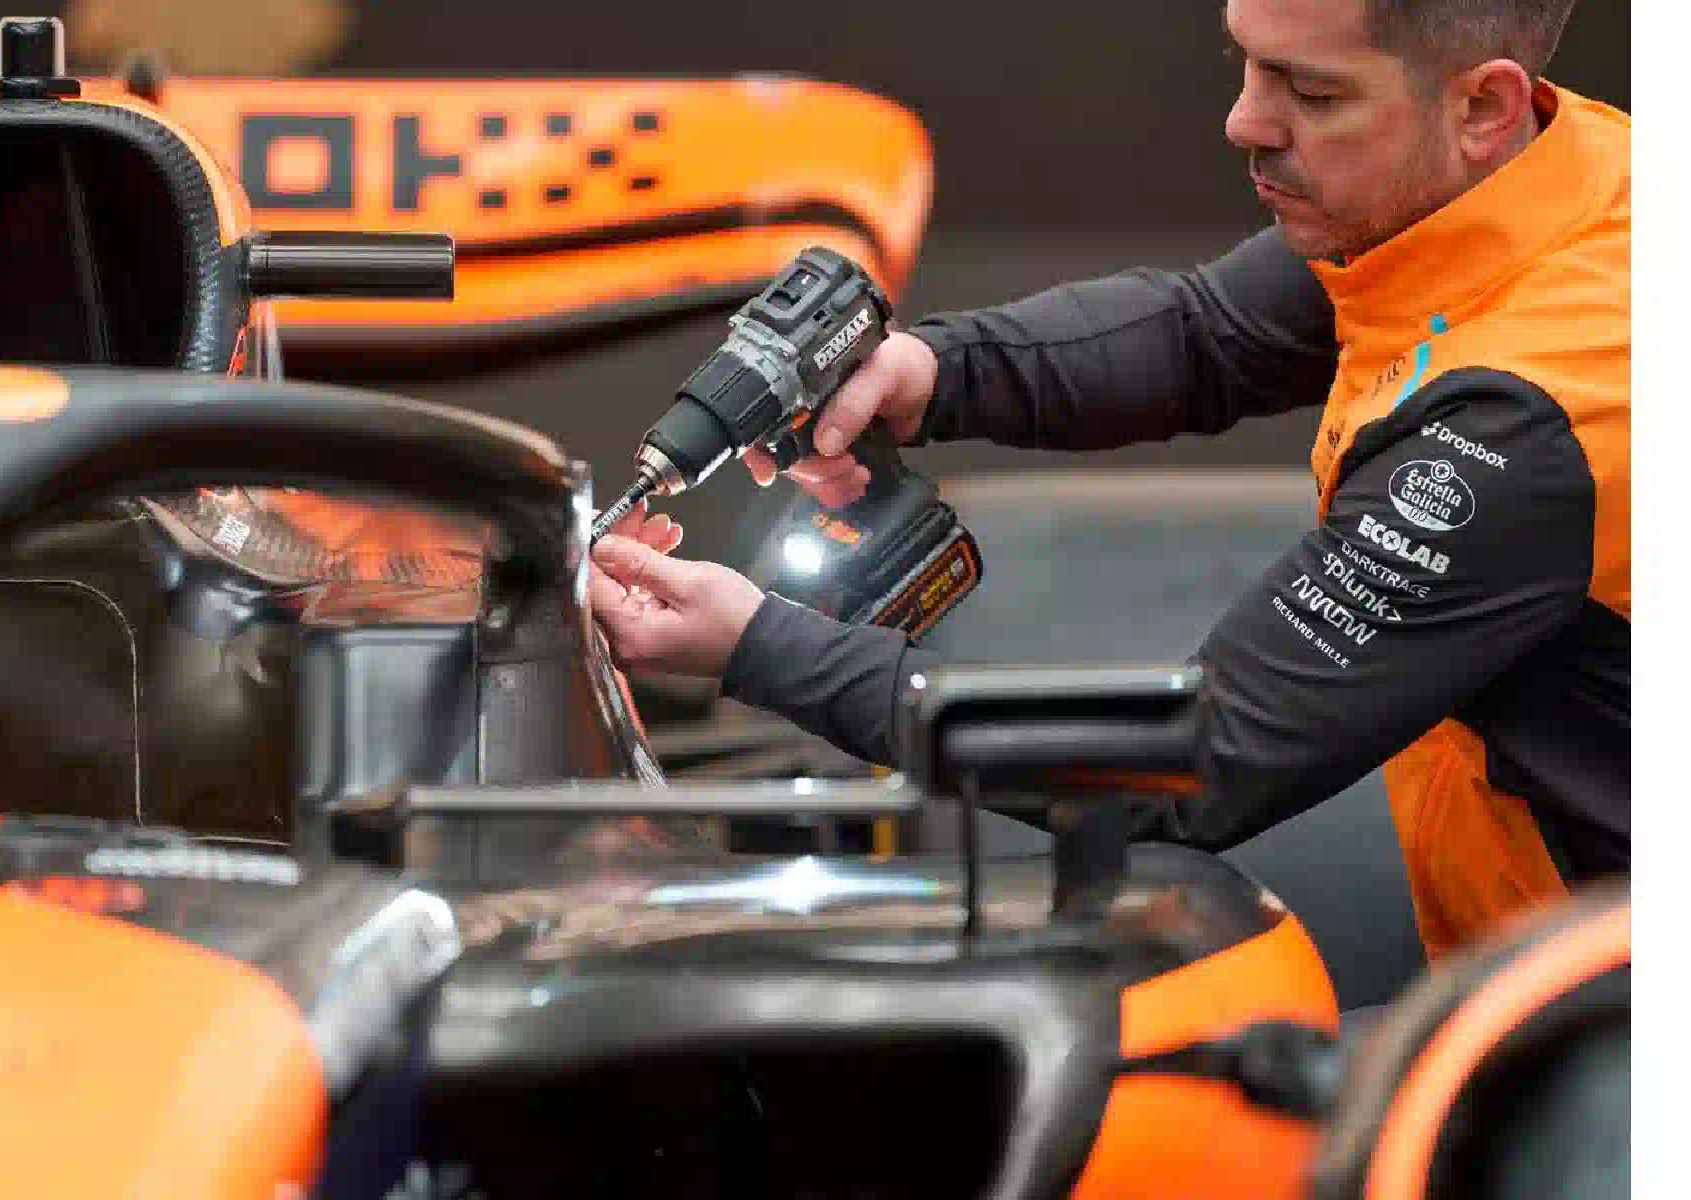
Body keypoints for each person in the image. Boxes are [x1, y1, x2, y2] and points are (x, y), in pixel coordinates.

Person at [588, 0, 1628, 961]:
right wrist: (929, 371)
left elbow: (1189, 767)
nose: (1244, 121)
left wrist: (759, 645)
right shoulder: (1553, 175)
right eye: (1247, 63)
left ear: (1483, 106)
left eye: (1311, 93)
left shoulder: (1535, 423)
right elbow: (1209, 334)